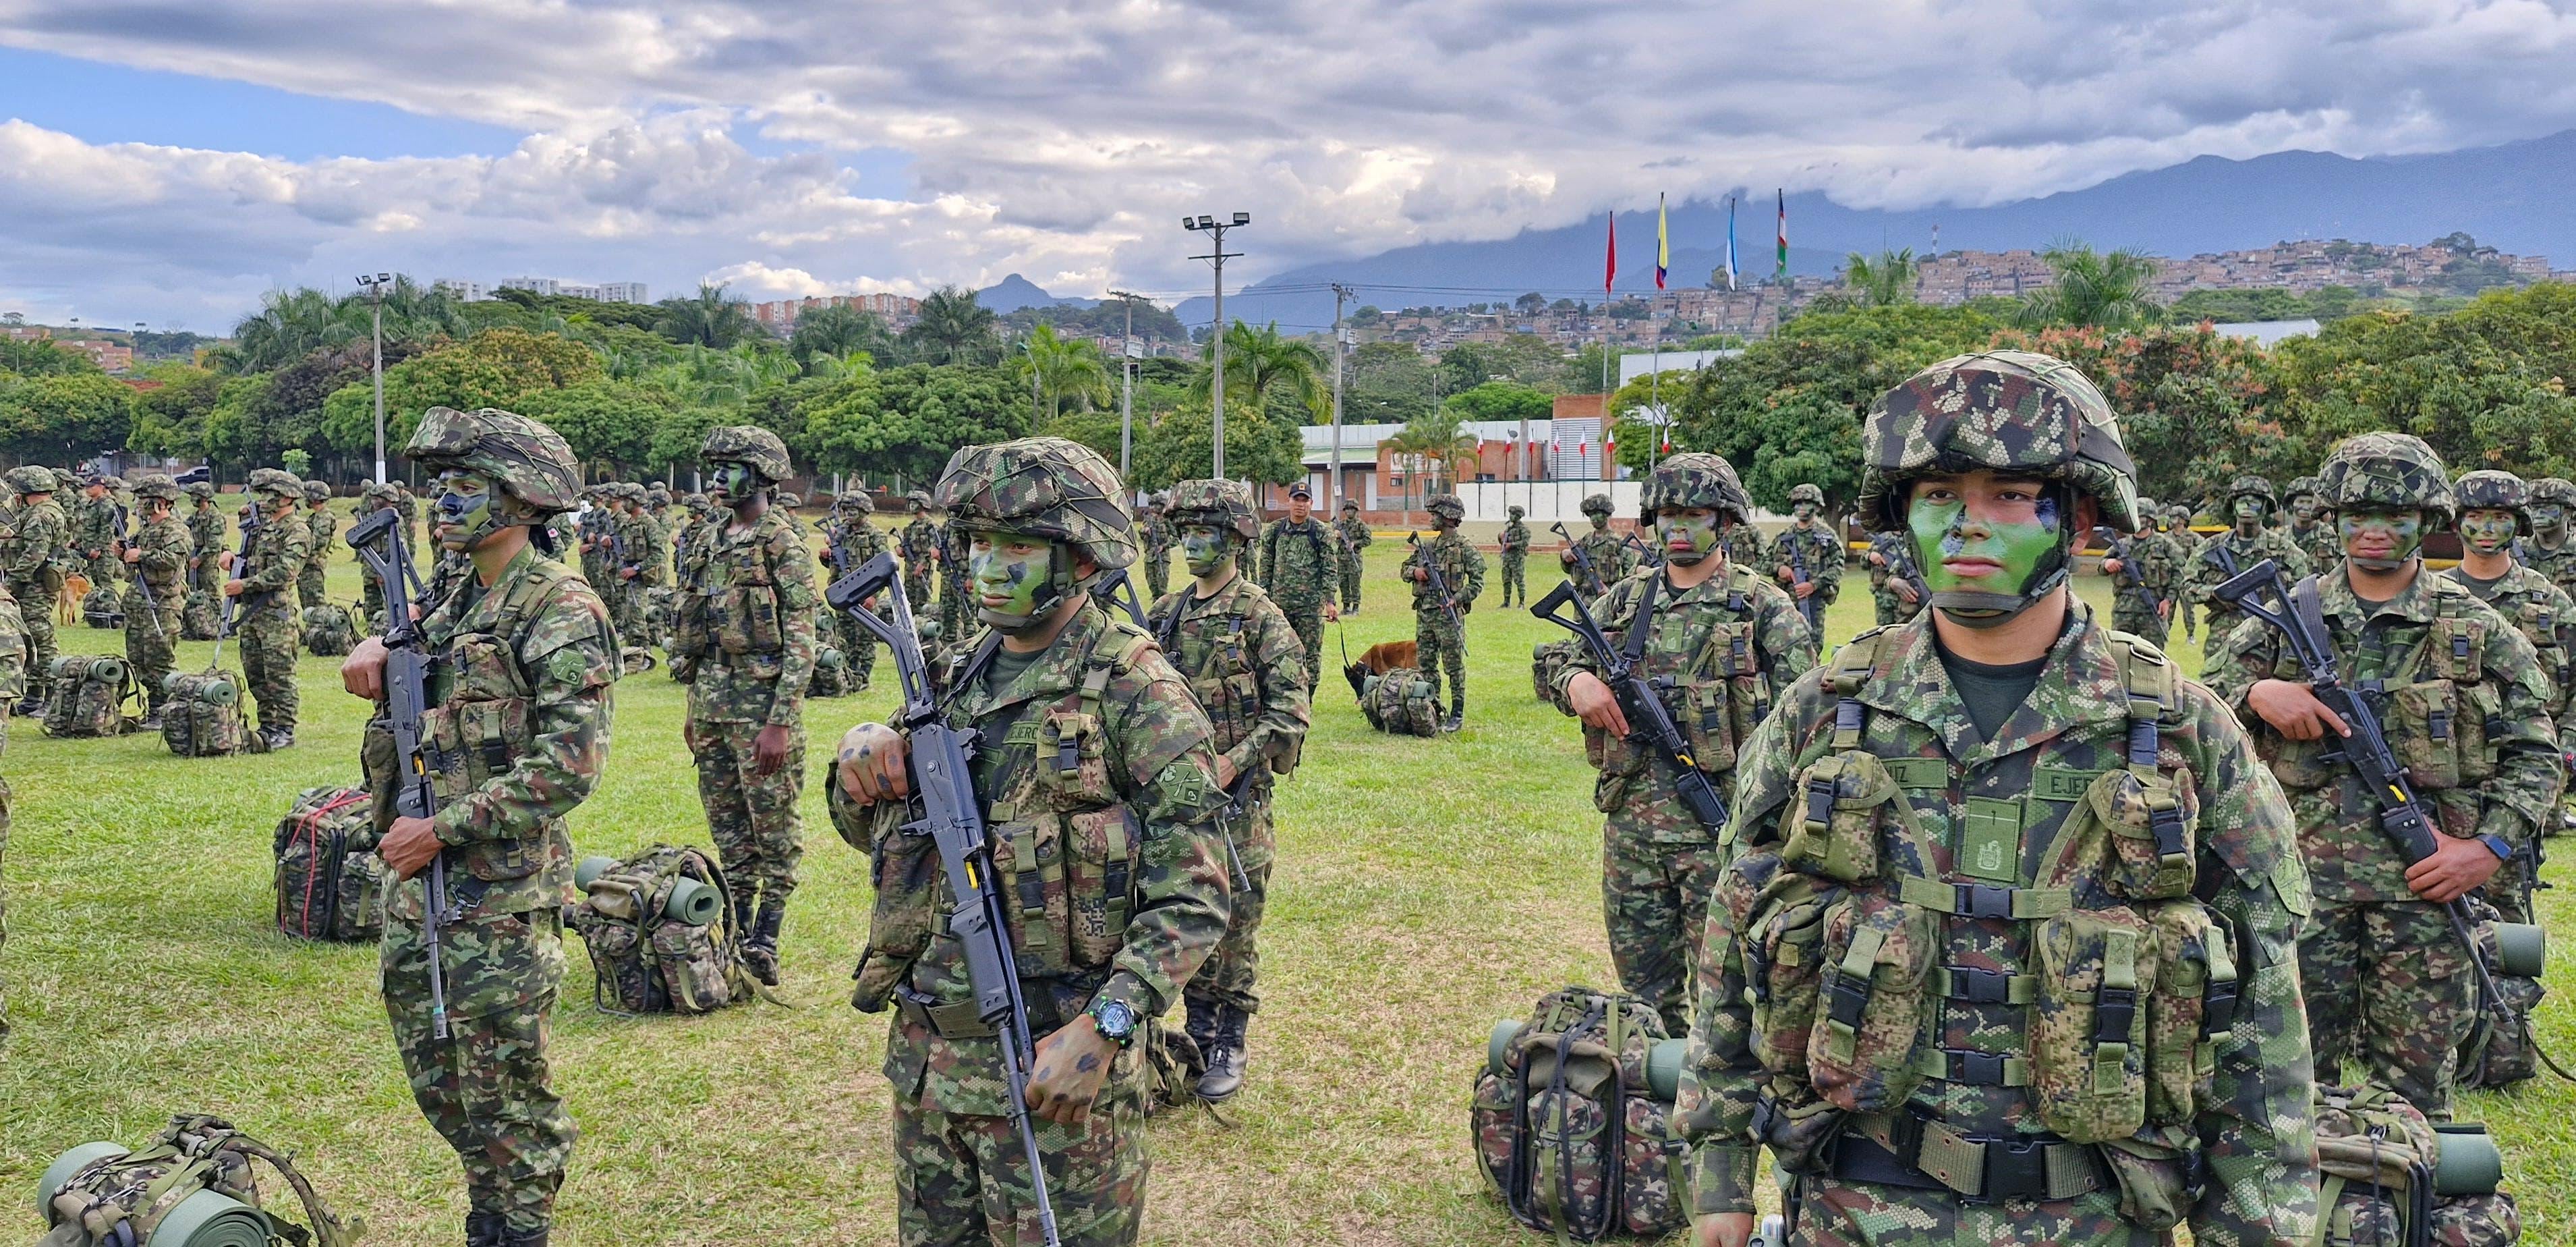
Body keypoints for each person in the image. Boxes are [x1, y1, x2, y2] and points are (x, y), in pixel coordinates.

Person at [1678, 350, 2318, 1247]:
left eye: (2009, 496)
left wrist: (2257, 1227)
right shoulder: (1824, 712)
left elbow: (2262, 1013)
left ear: (2079, 515)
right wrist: (1716, 1175)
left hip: (2091, 1212)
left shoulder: (2180, 728)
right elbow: (1731, 949)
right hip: (1855, 1202)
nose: (1966, 525)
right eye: (1939, 495)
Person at [830, 435, 1231, 1247]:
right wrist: (857, 765)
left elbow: (1194, 896)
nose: (987, 568)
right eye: (978, 545)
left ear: (1083, 561)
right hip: (931, 1068)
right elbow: (879, 833)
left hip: (1056, 1074)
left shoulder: (1136, 689)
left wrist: (1107, 1029)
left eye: (1018, 548)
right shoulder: (950, 675)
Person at [2204, 433, 2554, 1121]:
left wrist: (2485, 852)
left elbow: (2537, 754)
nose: (2372, 531)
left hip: (2423, 899)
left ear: (2427, 523)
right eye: (2356, 513)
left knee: (2417, 1097)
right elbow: (2200, 707)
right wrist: (2255, 695)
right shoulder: (2284, 619)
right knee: (2287, 1094)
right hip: (2299, 894)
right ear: (2330, 518)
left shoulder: (2476, 628)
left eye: (2395, 515)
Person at [341, 405, 612, 1247]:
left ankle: (514, 1230)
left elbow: (571, 764)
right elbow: (422, 671)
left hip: (497, 896)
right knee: (443, 1080)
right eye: (442, 488)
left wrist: (445, 831)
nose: (444, 506)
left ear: (523, 501)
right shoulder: (457, 593)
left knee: (505, 1092)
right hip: (425, 883)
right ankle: (489, 1214)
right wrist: (379, 652)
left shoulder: (558, 605)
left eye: (468, 488)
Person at [1552, 452, 1812, 1034]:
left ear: (1724, 521)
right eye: (1667, 514)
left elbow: (1809, 712)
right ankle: (1652, 1099)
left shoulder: (1759, 605)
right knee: (1642, 990)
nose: (1677, 528)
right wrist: (1577, 681)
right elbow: (1556, 660)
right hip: (1632, 833)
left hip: (1722, 831)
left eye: (1694, 514)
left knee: (1729, 995)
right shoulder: (1624, 599)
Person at [1149, 477, 1310, 1103]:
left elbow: (1290, 713)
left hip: (1238, 804)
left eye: (1205, 534)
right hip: (1173, 805)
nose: (1192, 545)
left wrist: (1231, 761)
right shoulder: (1165, 615)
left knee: (1235, 922)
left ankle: (1229, 1040)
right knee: (1180, 913)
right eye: (1185, 533)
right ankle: (1195, 1031)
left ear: (1236, 539)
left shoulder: (1260, 618)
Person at [672, 427, 817, 985]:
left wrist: (779, 721)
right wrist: (691, 707)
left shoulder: (781, 540)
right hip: (711, 702)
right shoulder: (709, 538)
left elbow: (802, 634)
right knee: (729, 827)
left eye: (729, 466)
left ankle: (767, 937)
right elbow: (699, 632)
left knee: (773, 826)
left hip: (761, 710)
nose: (716, 477)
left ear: (760, 474)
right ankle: (737, 934)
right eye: (715, 466)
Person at [2437, 468, 2576, 922]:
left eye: (2499, 517)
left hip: (2520, 772)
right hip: (2445, 775)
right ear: (2456, 523)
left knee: (2507, 920)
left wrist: (2566, 746)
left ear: (2517, 524)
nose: (2486, 528)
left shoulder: (2548, 600)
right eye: (2475, 516)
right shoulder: (2433, 599)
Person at [224, 469, 312, 751]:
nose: (262, 500)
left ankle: (284, 729)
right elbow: (251, 559)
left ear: (286, 497)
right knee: (256, 674)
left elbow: (287, 571)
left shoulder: (297, 530)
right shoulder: (262, 528)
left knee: (279, 676)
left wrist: (246, 584)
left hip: (276, 615)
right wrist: (232, 559)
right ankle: (268, 725)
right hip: (251, 615)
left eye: (268, 494)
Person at [2183, 475, 2310, 653]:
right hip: (2222, 639)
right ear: (2233, 506)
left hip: (2269, 638)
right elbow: (2187, 586)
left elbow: (2305, 593)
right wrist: (2215, 594)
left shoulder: (2285, 550)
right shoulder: (2212, 547)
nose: (2248, 508)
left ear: (2266, 507)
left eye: (2255, 503)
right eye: (2242, 502)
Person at [1400, 494, 1483, 731]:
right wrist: (1416, 573)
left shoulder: (1465, 548)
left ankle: (1457, 713)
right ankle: (1433, 707)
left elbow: (1477, 583)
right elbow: (1405, 568)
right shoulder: (1428, 547)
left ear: (1448, 517)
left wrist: (1456, 600)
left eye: (1434, 515)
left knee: (1454, 666)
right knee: (1426, 664)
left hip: (1449, 617)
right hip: (1425, 614)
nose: (1430, 520)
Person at [1255, 482, 1344, 691]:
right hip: (1279, 607)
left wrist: (1330, 601)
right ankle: (1285, 692)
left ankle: (1307, 695)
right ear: (1289, 501)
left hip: (1310, 608)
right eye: (1296, 500)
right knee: (1280, 650)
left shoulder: (1320, 532)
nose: (1300, 505)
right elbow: (1266, 568)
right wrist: (1263, 600)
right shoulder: (1275, 531)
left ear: (1311, 504)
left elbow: (1330, 568)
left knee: (1310, 653)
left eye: (1305, 501)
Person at [123, 473, 191, 728]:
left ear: (160, 501)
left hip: (162, 603)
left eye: (144, 500)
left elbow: (172, 559)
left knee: (159, 658)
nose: (139, 505)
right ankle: (154, 710)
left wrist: (142, 555)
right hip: (139, 602)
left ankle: (165, 711)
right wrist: (126, 554)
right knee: (138, 657)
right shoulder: (145, 531)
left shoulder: (176, 529)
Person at [1, 468, 64, 715]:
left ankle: (51, 697)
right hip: (31, 583)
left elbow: (34, 556)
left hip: (35, 585)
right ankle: (34, 696)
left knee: (41, 639)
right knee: (30, 639)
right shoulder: (41, 511)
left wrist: (11, 584)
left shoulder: (42, 515)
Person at [825, 491, 890, 691]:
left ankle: (864, 676)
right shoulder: (840, 533)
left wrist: (874, 595)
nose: (848, 514)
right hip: (843, 592)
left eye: (852, 510)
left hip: (865, 593)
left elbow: (886, 568)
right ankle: (851, 675)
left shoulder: (875, 535)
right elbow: (834, 564)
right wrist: (825, 555)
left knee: (865, 638)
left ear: (864, 510)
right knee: (846, 635)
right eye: (845, 510)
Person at [2097, 497, 2179, 643]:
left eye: (2143, 517)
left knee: (2154, 657)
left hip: (2152, 608)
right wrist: (2108, 563)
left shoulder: (2166, 545)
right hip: (2124, 609)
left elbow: (2179, 574)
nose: (2140, 521)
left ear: (2151, 519)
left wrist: (2168, 600)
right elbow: (2101, 567)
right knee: (2119, 653)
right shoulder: (2121, 545)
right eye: (2137, 516)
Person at [1766, 482, 1845, 628]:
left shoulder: (1827, 536)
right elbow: (1763, 563)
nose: (1801, 507)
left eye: (1807, 502)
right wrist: (1779, 569)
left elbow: (1838, 567)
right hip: (1785, 603)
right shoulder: (1783, 536)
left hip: (1814, 601)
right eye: (1798, 503)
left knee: (1813, 644)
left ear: (1816, 506)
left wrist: (1813, 585)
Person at [1559, 493, 1636, 592]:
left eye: (1597, 513)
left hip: (1605, 603)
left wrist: (1612, 592)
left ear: (1607, 513)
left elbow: (1632, 578)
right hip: (1581, 601)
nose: (1594, 518)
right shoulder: (1585, 541)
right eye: (1591, 514)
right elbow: (1568, 569)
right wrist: (1565, 557)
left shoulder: (1619, 544)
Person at [74, 474, 124, 615]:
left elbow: (106, 529)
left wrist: (99, 548)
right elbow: (87, 526)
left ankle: (113, 613)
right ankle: (99, 611)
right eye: (86, 487)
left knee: (106, 582)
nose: (88, 489)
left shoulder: (106, 503)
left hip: (103, 550)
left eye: (91, 487)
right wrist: (76, 540)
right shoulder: (91, 503)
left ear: (101, 488)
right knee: (96, 581)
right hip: (90, 549)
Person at [2522, 476, 2576, 595]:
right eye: (2534, 508)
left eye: (2548, 508)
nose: (2539, 514)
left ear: (2568, 512)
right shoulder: (2513, 553)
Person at [357, 482, 403, 623]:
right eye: (373, 498)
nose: (373, 502)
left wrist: (384, 571)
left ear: (388, 499)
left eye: (377, 498)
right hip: (370, 571)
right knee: (371, 607)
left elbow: (397, 548)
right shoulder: (372, 519)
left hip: (386, 572)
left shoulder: (394, 520)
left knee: (392, 607)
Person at [1862, 528, 1923, 626]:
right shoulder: (1881, 539)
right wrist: (1870, 556)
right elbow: (1863, 562)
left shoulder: (1912, 538)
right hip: (1884, 595)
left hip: (1907, 597)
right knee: (1883, 630)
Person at [898, 491, 944, 622]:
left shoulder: (931, 525)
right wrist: (899, 549)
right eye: (911, 503)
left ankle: (925, 625)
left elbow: (936, 546)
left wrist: (923, 564)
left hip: (923, 568)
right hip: (910, 567)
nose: (912, 506)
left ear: (923, 505)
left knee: (923, 599)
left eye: (915, 503)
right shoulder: (911, 527)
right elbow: (904, 545)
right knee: (909, 597)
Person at [2281, 475, 2341, 571]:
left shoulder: (2333, 536)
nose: (2305, 507)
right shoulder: (2280, 537)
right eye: (2301, 502)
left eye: (2310, 502)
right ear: (2292, 504)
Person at [297, 480, 337, 609]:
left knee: (315, 602)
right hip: (307, 565)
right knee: (306, 601)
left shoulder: (324, 517)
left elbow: (319, 542)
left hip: (313, 566)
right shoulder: (316, 517)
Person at [185, 480, 223, 594]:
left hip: (208, 565)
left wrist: (199, 559)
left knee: (211, 596)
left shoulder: (215, 517)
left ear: (203, 497)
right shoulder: (196, 515)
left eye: (194, 495)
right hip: (195, 560)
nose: (191, 499)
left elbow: (215, 544)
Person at [1334, 497, 1372, 610]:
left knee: (1355, 583)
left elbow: (1368, 540)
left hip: (1354, 558)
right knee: (1343, 582)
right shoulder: (1341, 525)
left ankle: (1356, 607)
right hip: (1342, 559)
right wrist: (1338, 536)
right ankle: (1346, 606)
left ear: (1356, 511)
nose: (1349, 512)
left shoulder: (1361, 525)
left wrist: (1354, 543)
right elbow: (1334, 539)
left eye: (1351, 509)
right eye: (1347, 509)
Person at [1138, 493, 1174, 599]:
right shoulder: (1148, 520)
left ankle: (1164, 610)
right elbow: (1141, 533)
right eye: (1152, 505)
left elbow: (1176, 538)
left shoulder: (1167, 520)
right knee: (1153, 588)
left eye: (1156, 505)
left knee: (1162, 589)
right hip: (1149, 558)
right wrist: (1145, 531)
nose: (1153, 507)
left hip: (1162, 558)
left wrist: (1164, 546)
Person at [1497, 503, 1532, 607]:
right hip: (1507, 558)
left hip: (1517, 559)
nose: (1511, 516)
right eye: (1510, 514)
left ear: (1518, 516)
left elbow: (1525, 543)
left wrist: (1511, 545)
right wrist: (1502, 540)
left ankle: (1521, 602)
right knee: (1506, 580)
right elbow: (1504, 541)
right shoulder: (1509, 528)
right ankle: (1506, 602)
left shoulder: (1524, 529)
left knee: (1519, 580)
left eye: (1513, 514)